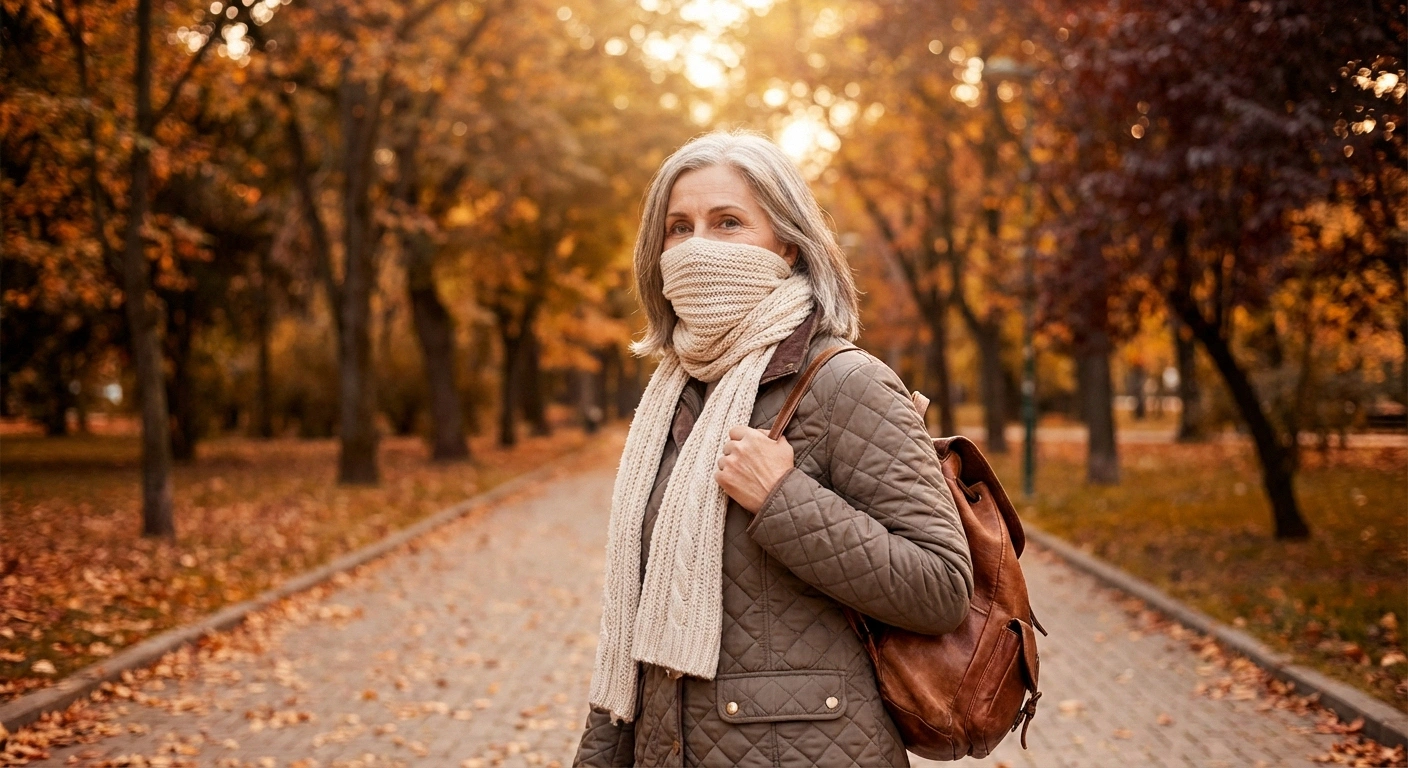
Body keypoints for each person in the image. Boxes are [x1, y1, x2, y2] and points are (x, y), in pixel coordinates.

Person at [573, 130, 973, 767]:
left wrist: (784, 500)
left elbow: (941, 587)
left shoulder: (848, 384)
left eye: (727, 222)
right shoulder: (673, 398)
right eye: (679, 227)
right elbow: (636, 635)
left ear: (787, 245)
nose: (697, 246)